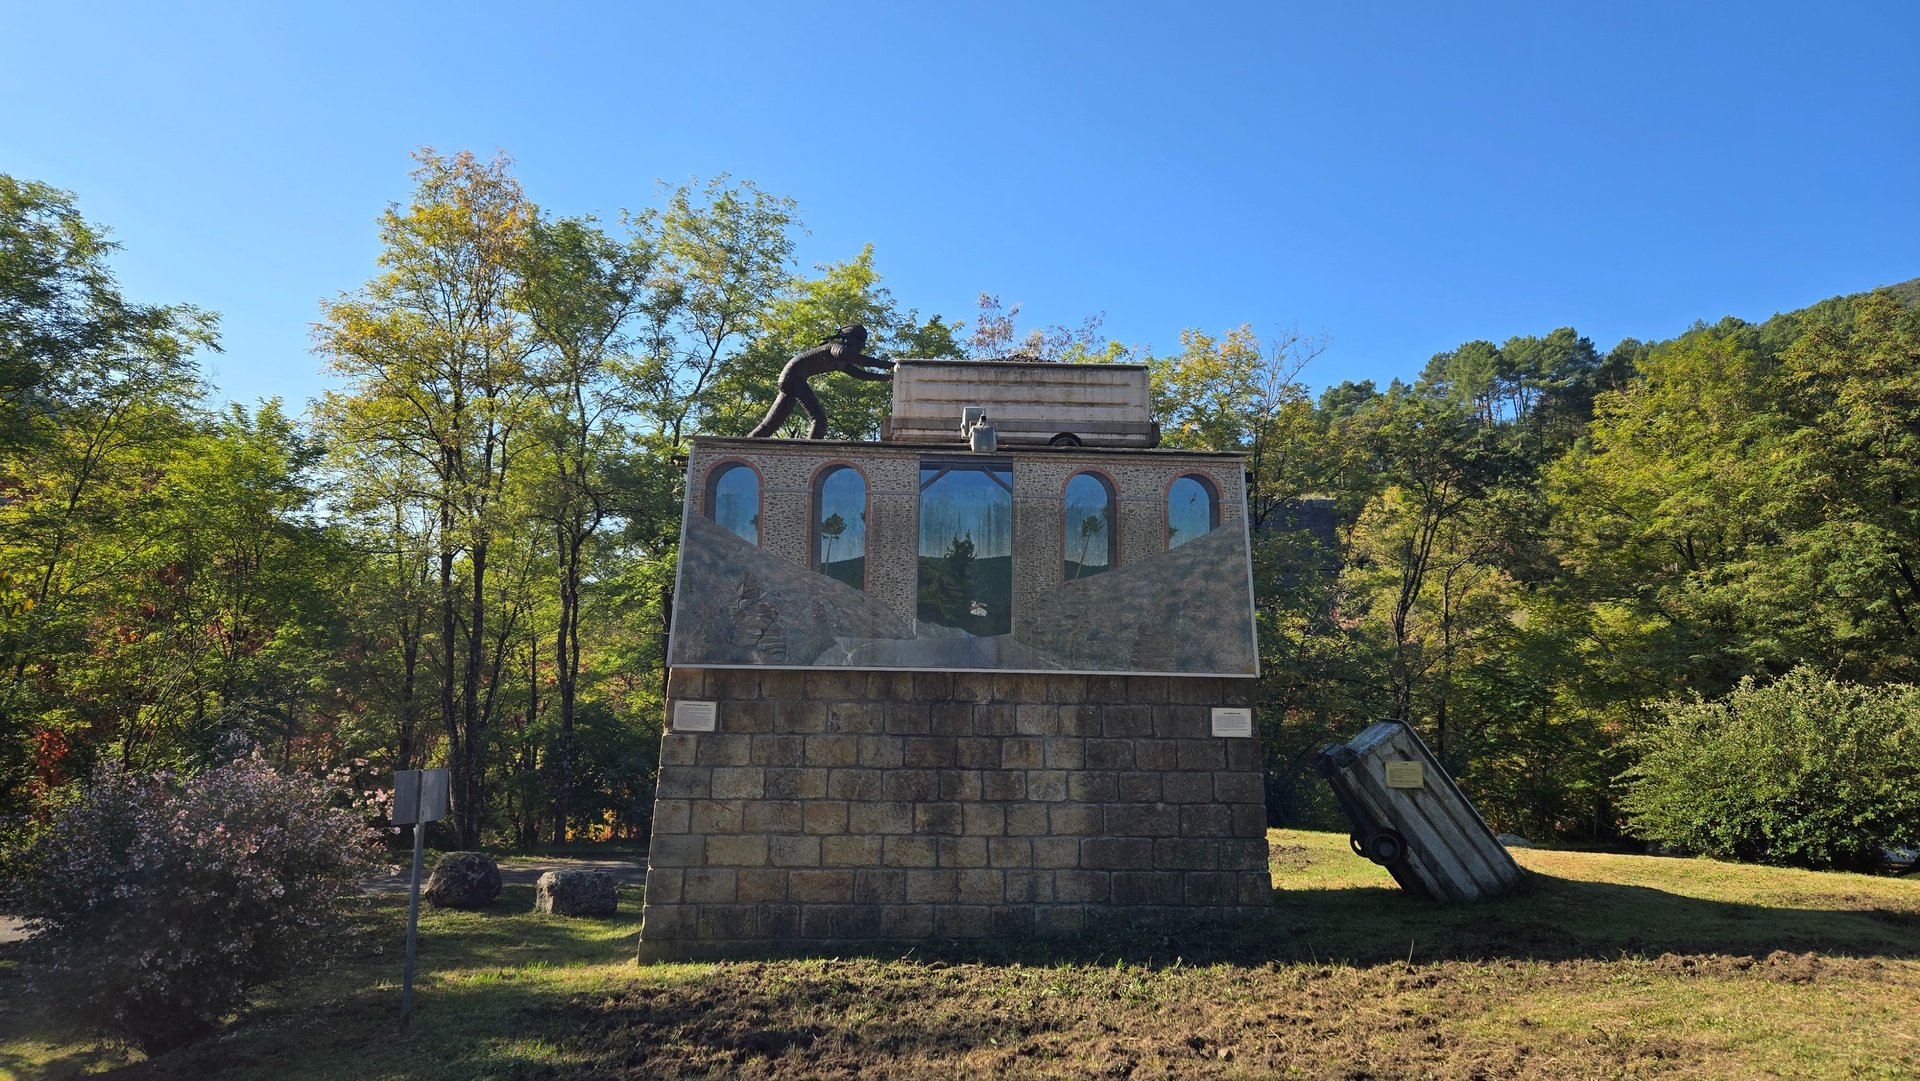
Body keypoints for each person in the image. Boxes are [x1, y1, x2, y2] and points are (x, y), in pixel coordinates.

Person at [747, 324, 894, 439]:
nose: (861, 348)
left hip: (792, 379)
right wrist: (891, 365)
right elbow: (859, 360)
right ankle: (808, 456)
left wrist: (887, 377)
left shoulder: (841, 361)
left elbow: (861, 374)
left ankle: (746, 444)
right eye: (860, 344)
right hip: (793, 378)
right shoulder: (836, 349)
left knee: (771, 423)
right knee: (820, 421)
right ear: (851, 341)